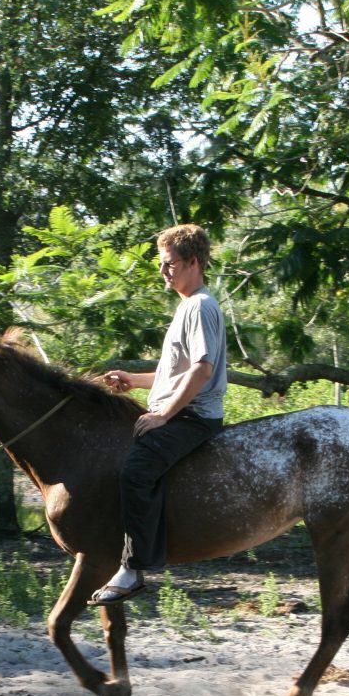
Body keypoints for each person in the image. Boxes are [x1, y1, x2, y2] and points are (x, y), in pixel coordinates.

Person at [89, 224, 227, 605]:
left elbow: (202, 370)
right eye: (162, 264)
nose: (163, 271)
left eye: (170, 264)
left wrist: (164, 413)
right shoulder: (189, 306)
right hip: (182, 411)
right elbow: (176, 372)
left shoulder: (200, 306)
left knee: (136, 470)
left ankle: (133, 568)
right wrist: (134, 380)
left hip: (193, 417)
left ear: (194, 262)